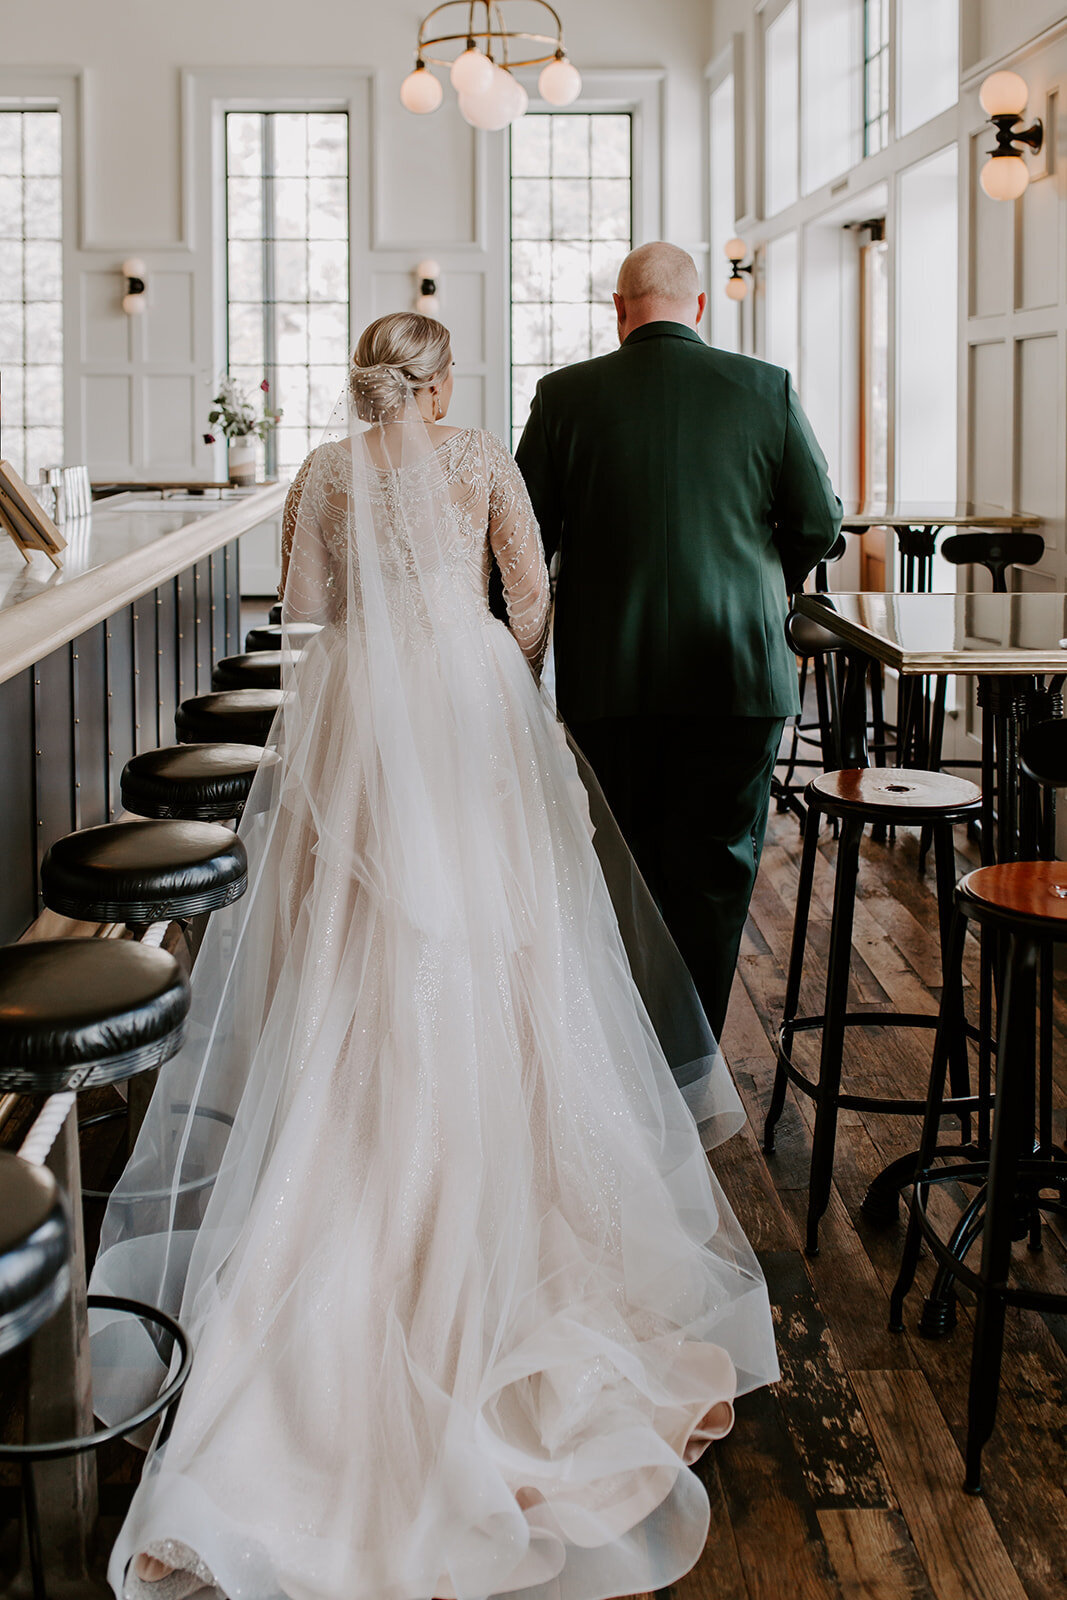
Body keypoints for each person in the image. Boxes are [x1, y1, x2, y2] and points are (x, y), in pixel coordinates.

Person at [91, 312, 779, 1600]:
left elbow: (300, 611)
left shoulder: (322, 472)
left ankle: (336, 1192)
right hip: (463, 708)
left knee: (351, 956)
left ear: (363, 382)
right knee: (509, 947)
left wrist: (379, 655)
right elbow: (528, 600)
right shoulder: (476, 462)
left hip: (354, 715)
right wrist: (482, 667)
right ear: (445, 381)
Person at [516, 242, 843, 1039]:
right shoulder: (765, 387)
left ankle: (627, 1053)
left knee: (623, 862)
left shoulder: (564, 396)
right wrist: (760, 582)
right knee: (716, 866)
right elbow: (817, 522)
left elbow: (524, 535)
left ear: (619, 310)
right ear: (698, 307)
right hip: (736, 669)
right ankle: (691, 1057)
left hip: (608, 672)